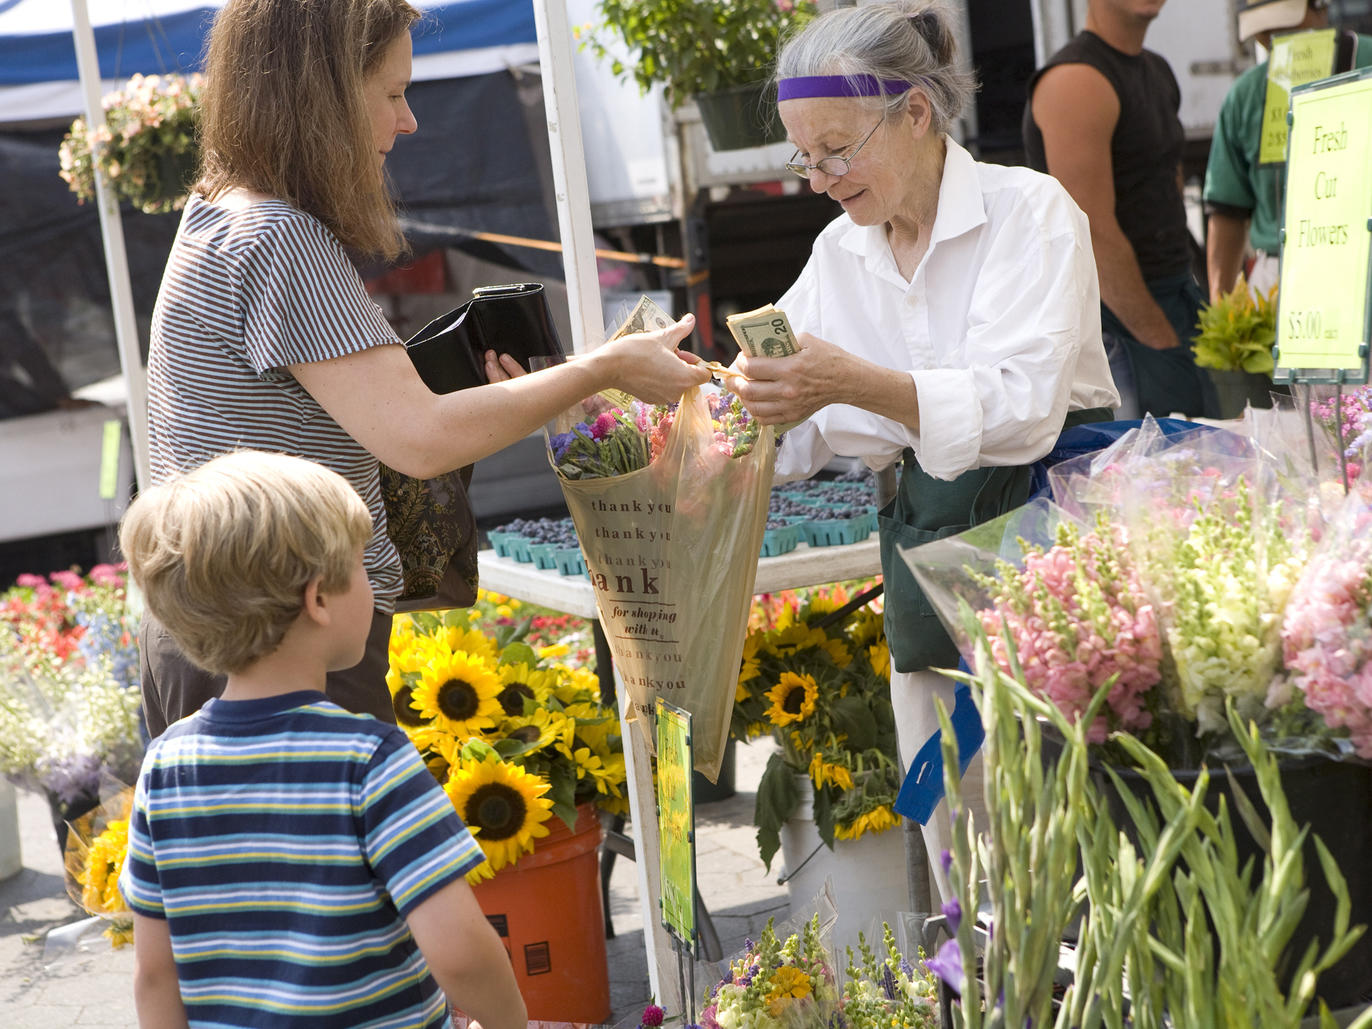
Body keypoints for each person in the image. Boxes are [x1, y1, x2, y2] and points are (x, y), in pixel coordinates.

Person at [138, 0, 710, 738]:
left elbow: (371, 410)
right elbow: (419, 435)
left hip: (218, 625)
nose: (407, 121)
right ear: (322, 96)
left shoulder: (220, 210)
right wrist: (603, 369)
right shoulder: (279, 236)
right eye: (392, 93)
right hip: (278, 638)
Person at [728, 0, 1119, 902]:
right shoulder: (840, 250)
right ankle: (970, 959)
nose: (820, 179)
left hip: (1044, 551)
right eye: (803, 156)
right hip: (923, 564)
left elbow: (1019, 407)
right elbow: (794, 432)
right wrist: (712, 404)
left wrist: (851, 382)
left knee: (1064, 818)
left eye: (837, 149)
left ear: (915, 112)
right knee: (955, 824)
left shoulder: (1029, 213)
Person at [117, 450, 527, 1029]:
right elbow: (460, 951)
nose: (374, 580)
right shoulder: (370, 762)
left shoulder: (165, 768)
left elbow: (155, 976)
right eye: (362, 564)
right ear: (318, 599)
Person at [1023, 0, 1215, 420]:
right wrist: (1158, 338)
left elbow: (1167, 180)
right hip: (1119, 323)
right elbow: (1093, 232)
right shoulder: (1075, 80)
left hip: (1173, 296)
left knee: (1206, 447)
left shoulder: (1157, 70)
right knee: (1152, 456)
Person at [1205, 0, 1369, 300]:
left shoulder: (1366, 60)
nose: (1275, 36)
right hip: (1277, 283)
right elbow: (1227, 210)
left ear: (1321, 7)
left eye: (1286, 22)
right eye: (1264, 29)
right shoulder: (1244, 96)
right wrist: (1222, 310)